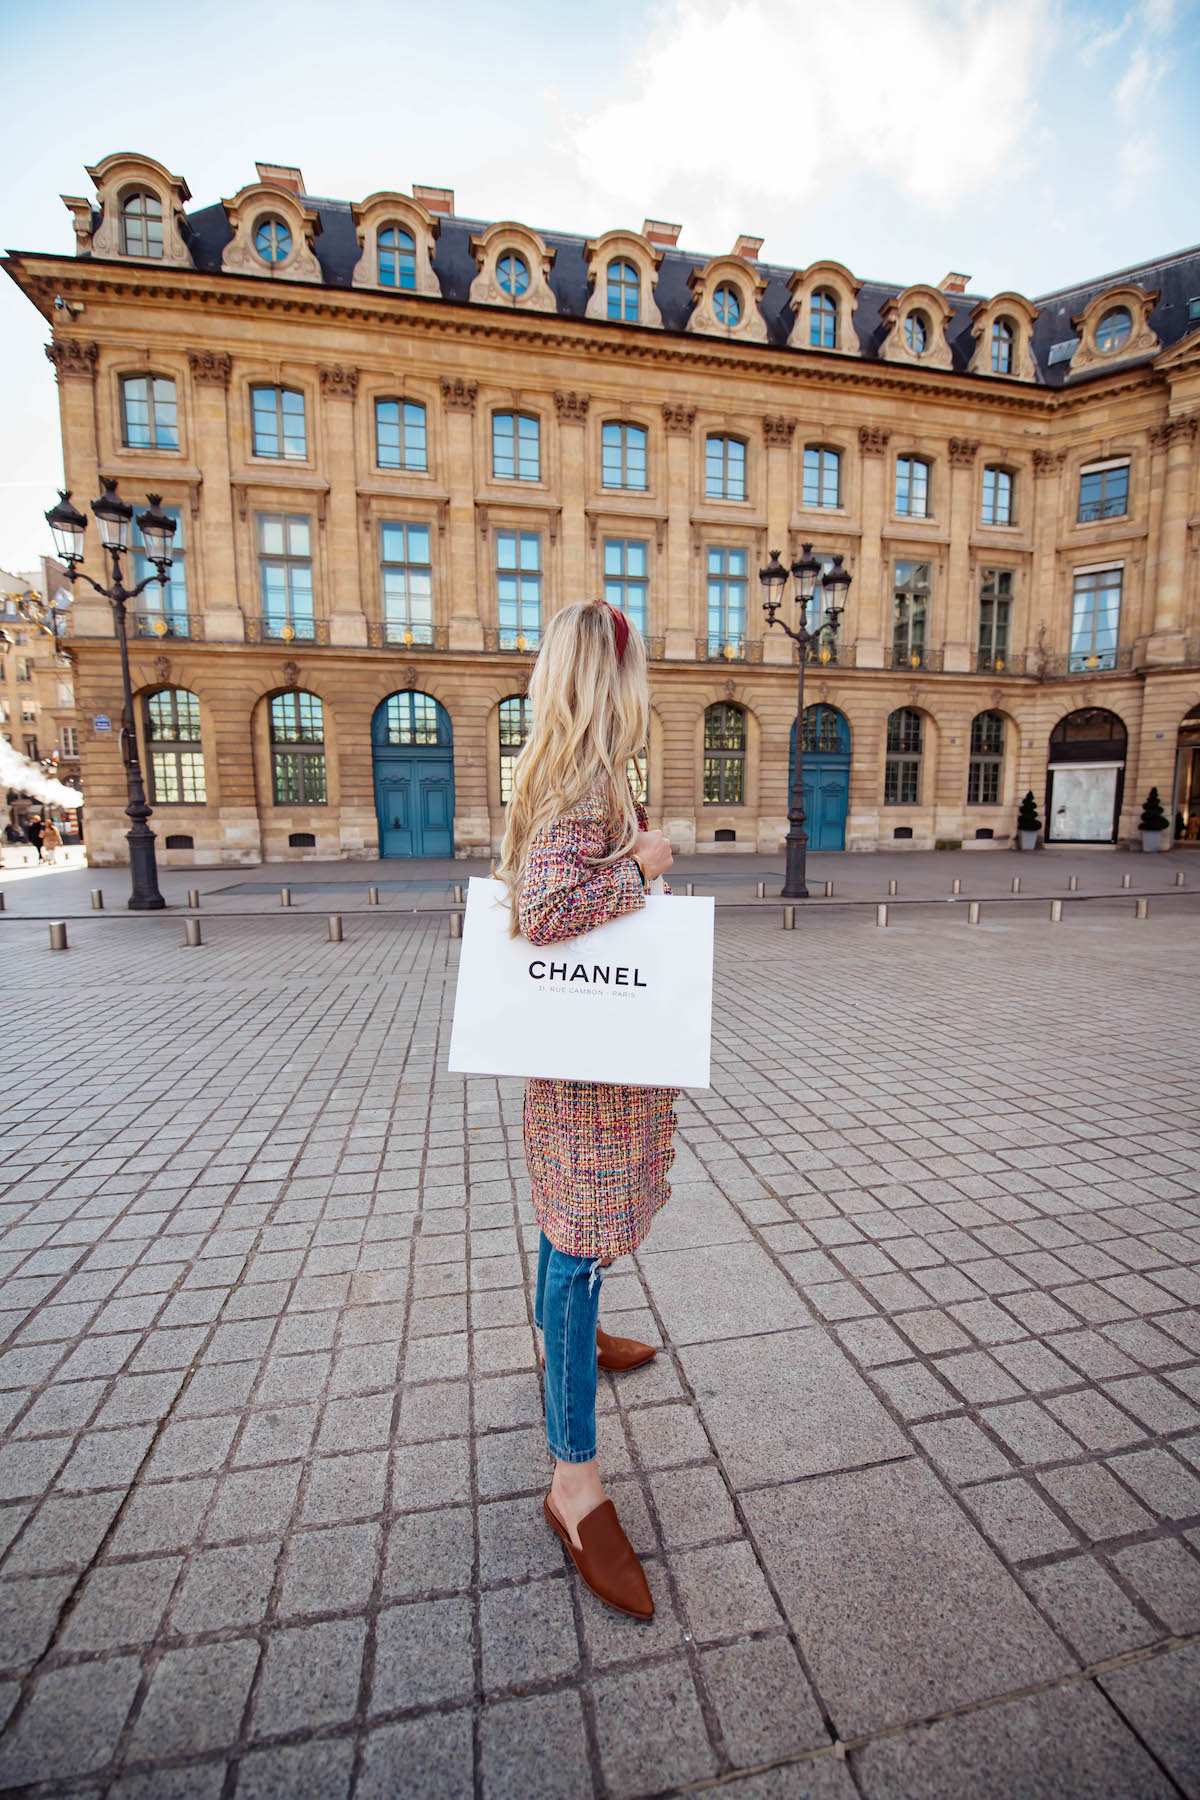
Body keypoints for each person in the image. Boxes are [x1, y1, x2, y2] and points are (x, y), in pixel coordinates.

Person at [497, 598, 677, 1621]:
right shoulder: (581, 780)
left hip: (578, 1055)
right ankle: (573, 1481)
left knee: (566, 1226)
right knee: (577, 1245)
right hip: (593, 1069)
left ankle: (571, 1332)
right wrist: (643, 868)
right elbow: (548, 912)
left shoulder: (556, 767)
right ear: (612, 678)